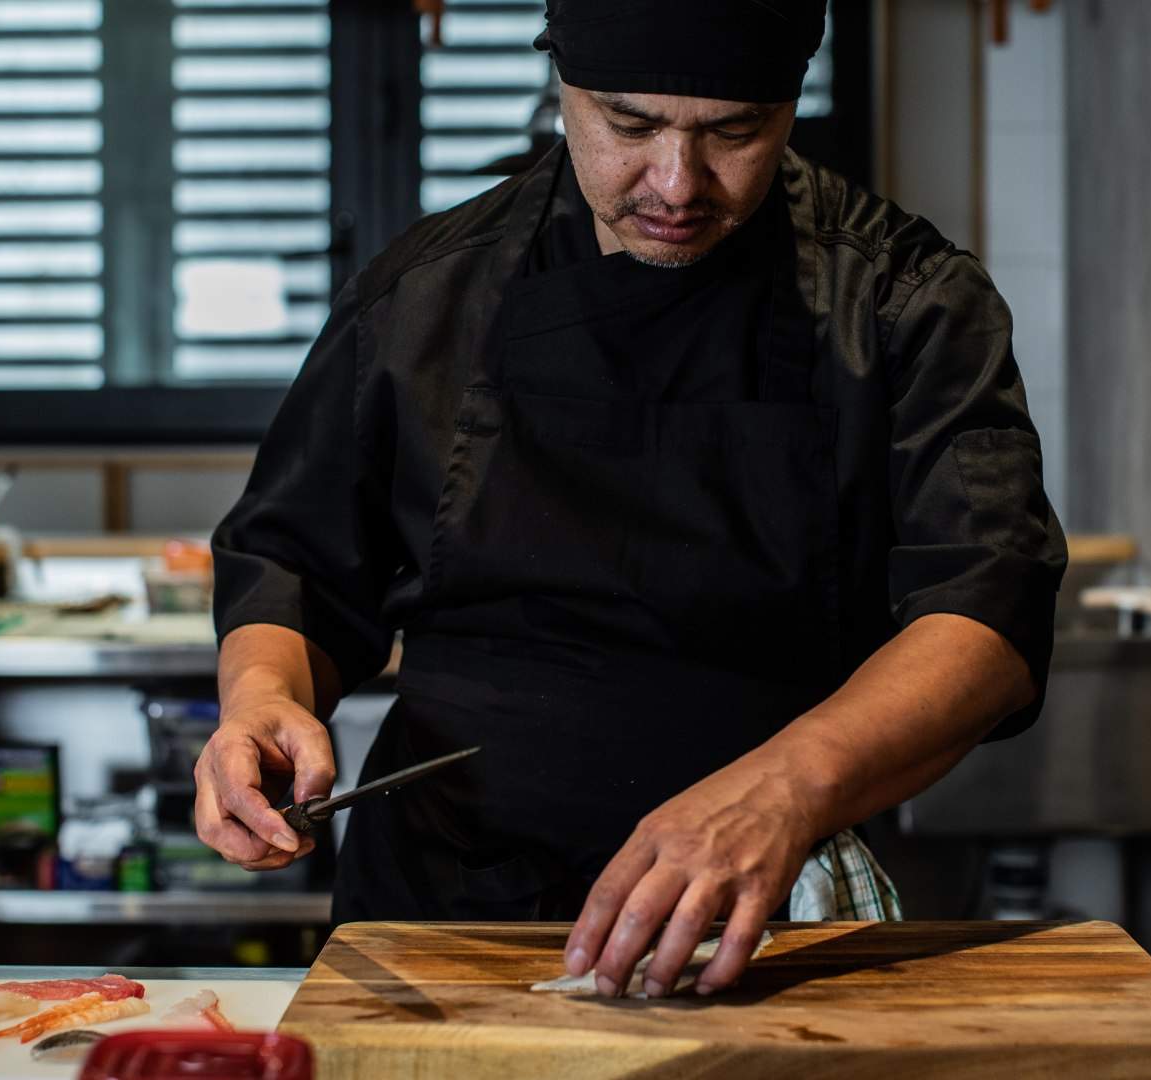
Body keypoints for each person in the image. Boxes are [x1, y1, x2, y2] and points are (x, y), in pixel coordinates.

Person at [198, 0, 1066, 999]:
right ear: (561, 84)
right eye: (631, 124)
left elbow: (987, 613)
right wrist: (259, 703)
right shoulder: (427, 295)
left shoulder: (904, 302)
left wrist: (783, 791)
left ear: (789, 106)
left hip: (763, 925)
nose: (676, 183)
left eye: (733, 133)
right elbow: (297, 563)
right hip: (445, 918)